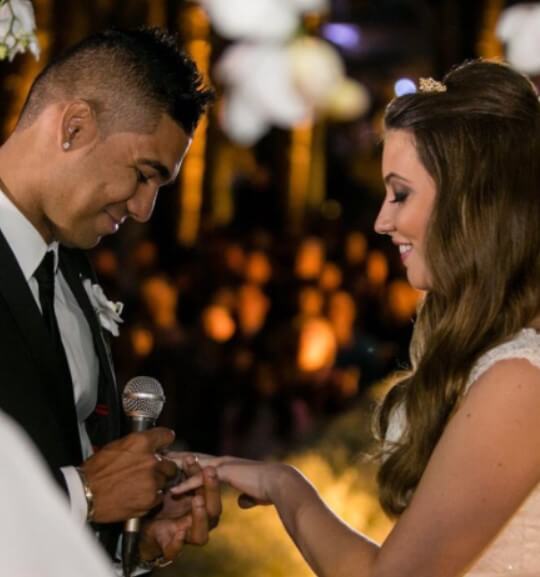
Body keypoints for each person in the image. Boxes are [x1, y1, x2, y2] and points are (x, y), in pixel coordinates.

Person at [171, 59, 540, 576]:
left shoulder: (519, 379)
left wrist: (286, 486)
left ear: (469, 203)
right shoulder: (501, 362)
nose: (382, 220)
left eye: (401, 193)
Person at [0, 27, 220, 569]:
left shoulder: (72, 268)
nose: (145, 208)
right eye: (143, 174)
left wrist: (129, 542)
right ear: (74, 127)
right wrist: (84, 495)